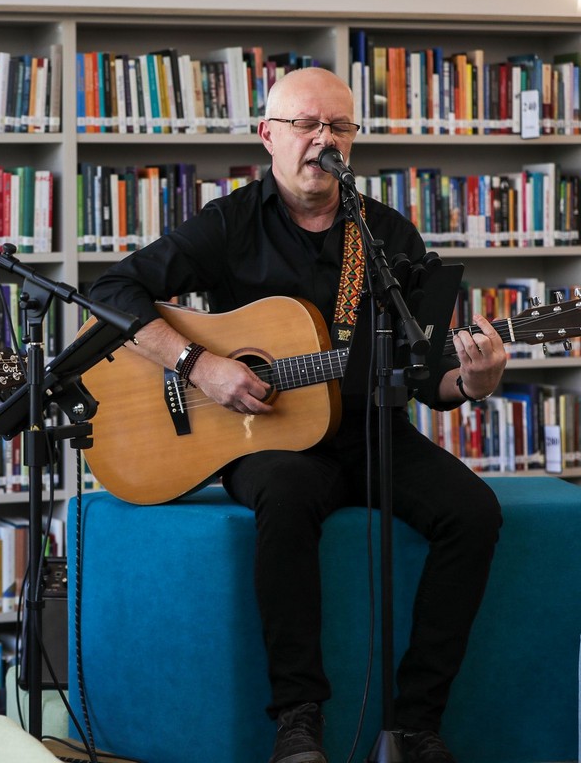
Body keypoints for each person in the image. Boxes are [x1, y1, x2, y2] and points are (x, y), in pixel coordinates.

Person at [86, 67, 506, 763]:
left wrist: (475, 381)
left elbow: (427, 378)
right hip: (264, 440)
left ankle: (416, 721)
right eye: (307, 125)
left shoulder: (385, 234)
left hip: (369, 431)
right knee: (284, 497)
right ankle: (297, 716)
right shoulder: (229, 223)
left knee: (474, 512)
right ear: (268, 137)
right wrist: (200, 365)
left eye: (338, 127)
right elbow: (112, 291)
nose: (323, 140)